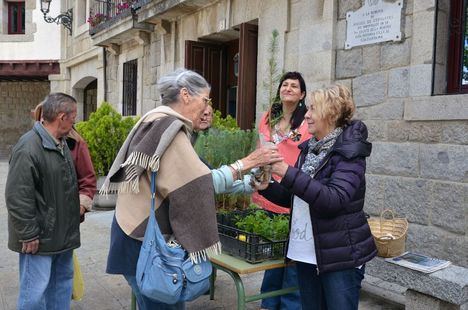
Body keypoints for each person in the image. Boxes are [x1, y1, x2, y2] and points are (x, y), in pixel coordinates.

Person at [103, 68, 282, 310]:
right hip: (146, 243)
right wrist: (248, 163)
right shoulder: (169, 127)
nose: (208, 107)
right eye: (205, 99)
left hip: (136, 236)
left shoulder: (158, 121)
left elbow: (199, 179)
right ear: (186, 95)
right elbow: (199, 185)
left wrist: (248, 182)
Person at [258, 85, 377, 310]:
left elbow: (334, 199)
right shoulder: (310, 148)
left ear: (330, 113)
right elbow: (298, 197)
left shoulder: (349, 151)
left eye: (313, 109)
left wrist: (286, 171)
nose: (307, 115)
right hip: (305, 253)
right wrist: (268, 186)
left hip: (339, 256)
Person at [5, 93, 81, 310]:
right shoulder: (28, 147)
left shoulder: (61, 142)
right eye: (73, 116)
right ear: (61, 117)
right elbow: (17, 196)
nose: (76, 120)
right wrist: (28, 233)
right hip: (39, 240)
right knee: (34, 294)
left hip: (62, 236)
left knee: (61, 287)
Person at [254, 71, 311, 310]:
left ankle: (290, 304)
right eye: (285, 84)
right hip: (268, 189)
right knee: (271, 253)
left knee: (291, 257)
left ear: (302, 94)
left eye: (294, 86)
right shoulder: (269, 117)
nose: (288, 88)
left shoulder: (307, 122)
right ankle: (269, 302)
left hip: (291, 191)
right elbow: (260, 145)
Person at [34, 103, 96, 222]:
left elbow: (88, 179)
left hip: (67, 216)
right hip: (40, 216)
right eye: (42, 117)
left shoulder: (76, 143)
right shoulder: (31, 144)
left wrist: (81, 206)